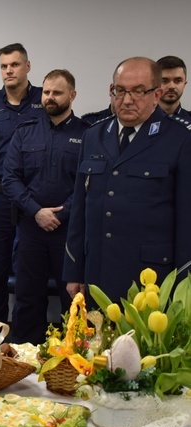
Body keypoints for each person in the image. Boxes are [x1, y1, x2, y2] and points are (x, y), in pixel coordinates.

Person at [64, 57, 191, 304]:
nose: (127, 99)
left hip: (151, 281)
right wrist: (73, 271)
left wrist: (183, 285)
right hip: (97, 274)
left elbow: (186, 221)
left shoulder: (180, 140)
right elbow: (80, 210)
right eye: (120, 90)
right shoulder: (93, 136)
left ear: (157, 94)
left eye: (138, 91)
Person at [3, 69, 89, 344]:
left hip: (70, 233)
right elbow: (10, 178)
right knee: (28, 297)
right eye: (47, 92)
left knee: (73, 298)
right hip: (31, 228)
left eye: (57, 92)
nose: (50, 98)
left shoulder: (88, 135)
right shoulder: (25, 132)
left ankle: (74, 359)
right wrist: (36, 211)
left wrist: (62, 214)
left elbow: (89, 184)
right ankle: (26, 361)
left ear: (72, 95)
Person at [0, 43, 45, 327]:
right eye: (4, 66)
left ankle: (29, 336)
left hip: (33, 200)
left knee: (32, 271)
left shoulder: (44, 100)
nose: (9, 71)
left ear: (27, 66)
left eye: (14, 65)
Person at [157, 55, 191, 121]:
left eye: (178, 81)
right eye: (164, 81)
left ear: (184, 84)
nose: (171, 86)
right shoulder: (141, 121)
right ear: (154, 84)